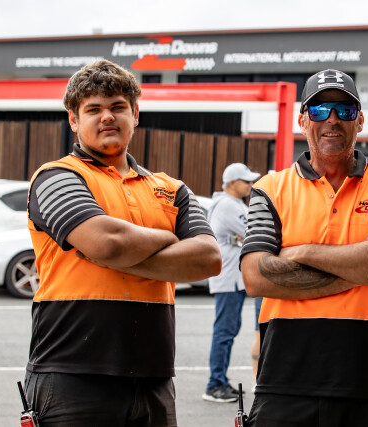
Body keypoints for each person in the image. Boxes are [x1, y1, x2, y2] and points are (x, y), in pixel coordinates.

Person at [24, 59, 221, 426]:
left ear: (135, 114)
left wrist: (118, 252)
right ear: (73, 120)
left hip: (154, 379)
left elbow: (208, 259)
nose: (107, 117)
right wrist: (168, 237)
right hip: (71, 376)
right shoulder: (56, 177)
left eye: (117, 107)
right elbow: (107, 243)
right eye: (93, 109)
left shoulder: (171, 189)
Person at [240, 69, 368, 426]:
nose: (332, 120)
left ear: (360, 120)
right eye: (319, 110)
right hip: (285, 378)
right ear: (303, 120)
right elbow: (256, 277)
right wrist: (362, 264)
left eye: (344, 111)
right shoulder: (270, 188)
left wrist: (300, 253)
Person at [203, 163, 260, 403]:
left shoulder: (233, 203)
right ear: (232, 182)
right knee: (224, 332)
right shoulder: (227, 204)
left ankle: (220, 381)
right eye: (246, 181)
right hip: (228, 277)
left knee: (228, 331)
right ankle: (214, 385)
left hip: (232, 278)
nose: (250, 185)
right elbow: (254, 231)